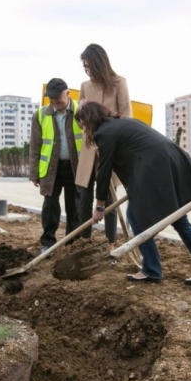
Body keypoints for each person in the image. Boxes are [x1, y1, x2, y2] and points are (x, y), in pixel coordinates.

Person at [75, 102, 191, 284]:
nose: (84, 129)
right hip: (171, 158)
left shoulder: (105, 133)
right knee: (178, 218)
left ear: (91, 120)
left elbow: (104, 172)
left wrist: (99, 206)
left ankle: (152, 269)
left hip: (155, 165)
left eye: (83, 124)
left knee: (135, 216)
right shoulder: (121, 124)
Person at [75, 44, 133, 249]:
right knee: (84, 198)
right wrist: (80, 111)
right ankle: (83, 243)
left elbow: (126, 117)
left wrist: (114, 144)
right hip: (89, 149)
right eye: (85, 67)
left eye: (90, 66)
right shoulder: (85, 86)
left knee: (108, 198)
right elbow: (81, 121)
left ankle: (111, 244)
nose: (87, 71)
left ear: (100, 63)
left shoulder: (119, 83)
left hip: (110, 149)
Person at [29, 78, 82, 253]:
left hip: (76, 167)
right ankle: (48, 242)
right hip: (51, 169)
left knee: (74, 207)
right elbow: (35, 146)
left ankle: (72, 243)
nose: (54, 102)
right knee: (50, 205)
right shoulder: (41, 114)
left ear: (67, 94)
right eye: (51, 99)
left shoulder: (81, 111)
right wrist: (34, 173)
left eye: (57, 98)